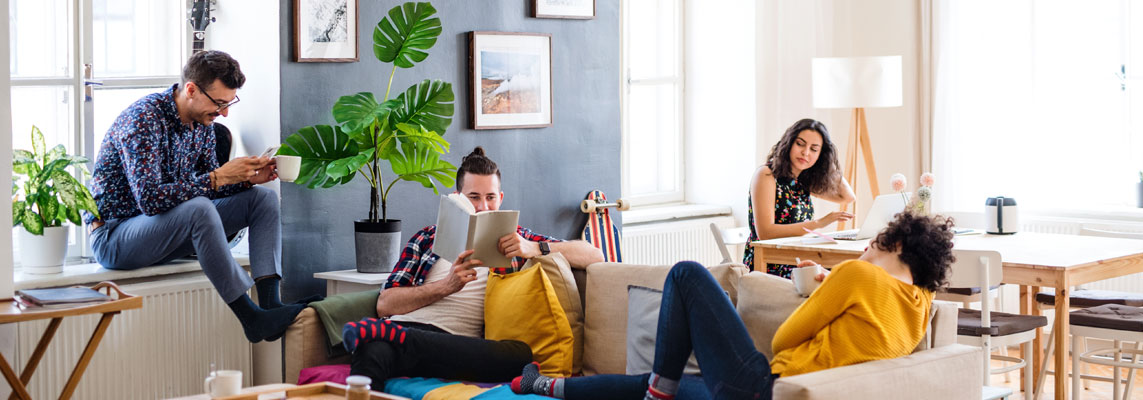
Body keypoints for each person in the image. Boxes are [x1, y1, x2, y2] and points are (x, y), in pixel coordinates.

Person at [511, 212, 955, 400]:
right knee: (663, 384)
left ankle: (655, 393)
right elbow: (857, 332)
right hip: (775, 392)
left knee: (687, 274)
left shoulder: (857, 276)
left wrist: (833, 280)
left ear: (893, 243)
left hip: (764, 387)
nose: (863, 251)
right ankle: (543, 387)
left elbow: (783, 339)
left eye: (873, 245)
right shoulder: (921, 307)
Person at [85, 50, 316, 343]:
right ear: (191, 89)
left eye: (229, 103)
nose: (224, 113)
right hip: (115, 236)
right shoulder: (143, 120)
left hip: (165, 233)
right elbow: (151, 200)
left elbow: (209, 187)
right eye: (219, 103)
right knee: (198, 209)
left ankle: (270, 304)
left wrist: (244, 180)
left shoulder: (202, 125)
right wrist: (219, 177)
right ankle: (251, 318)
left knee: (262, 199)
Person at [346, 146, 604, 383]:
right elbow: (384, 304)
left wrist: (534, 248)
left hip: (457, 348)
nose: (482, 207)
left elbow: (594, 255)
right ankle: (396, 337)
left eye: (490, 197)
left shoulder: (518, 241)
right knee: (372, 351)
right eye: (473, 197)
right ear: (458, 197)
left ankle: (393, 337)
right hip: (404, 327)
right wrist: (445, 286)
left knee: (520, 355)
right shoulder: (427, 238)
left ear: (500, 198)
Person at [745, 118, 856, 277]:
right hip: (769, 264)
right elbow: (765, 232)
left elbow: (847, 196)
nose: (806, 152)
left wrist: (827, 161)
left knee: (849, 272)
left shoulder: (802, 181)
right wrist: (819, 223)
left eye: (814, 149)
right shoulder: (766, 175)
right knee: (841, 278)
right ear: (789, 143)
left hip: (797, 259)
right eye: (800, 144)